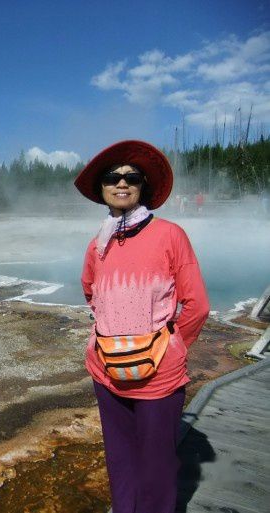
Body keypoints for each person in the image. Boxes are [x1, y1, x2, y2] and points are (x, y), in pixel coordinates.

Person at [73, 140, 210, 513]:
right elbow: (92, 294)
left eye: (131, 177)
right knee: (120, 459)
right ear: (101, 188)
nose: (122, 183)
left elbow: (197, 304)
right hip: (106, 371)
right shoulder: (98, 245)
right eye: (112, 177)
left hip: (159, 376)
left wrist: (171, 346)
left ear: (143, 186)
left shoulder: (170, 235)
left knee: (157, 466)